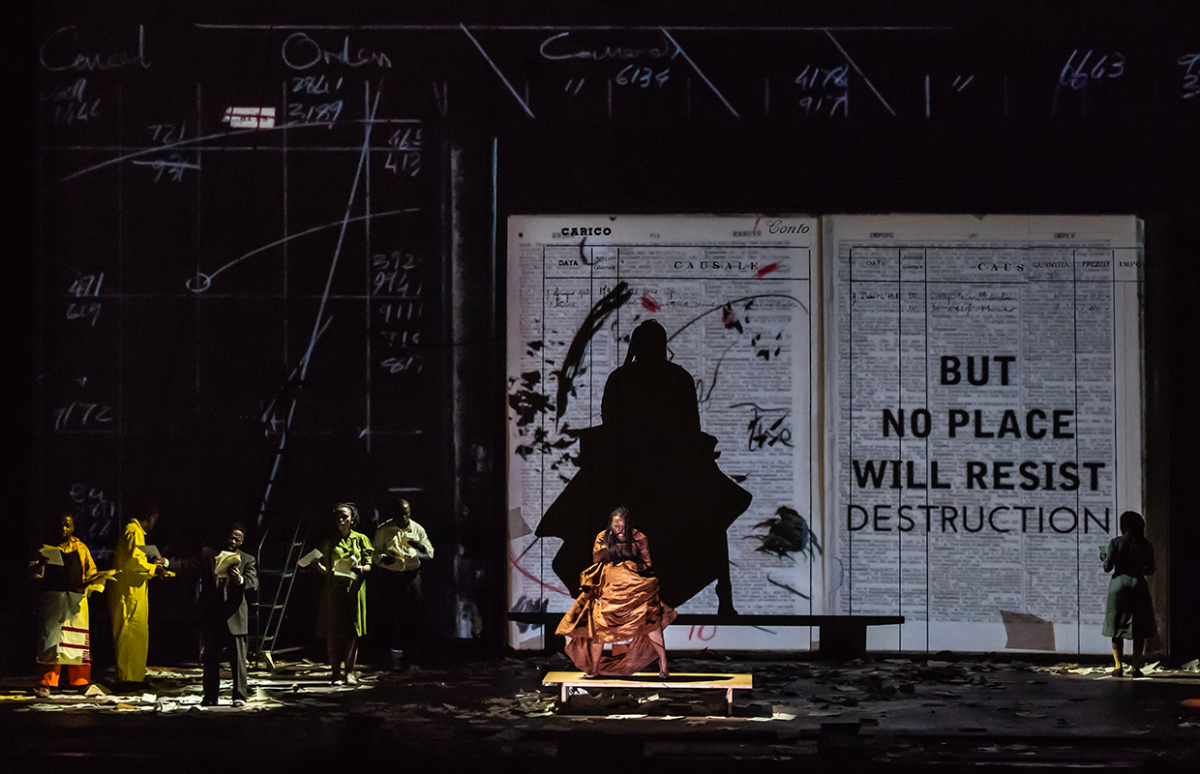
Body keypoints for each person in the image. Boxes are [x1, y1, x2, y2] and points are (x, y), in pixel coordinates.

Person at [538, 319, 751, 615]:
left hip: (629, 473)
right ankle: (724, 598)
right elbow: (690, 425)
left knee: (713, 513)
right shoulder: (677, 376)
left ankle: (723, 597)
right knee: (714, 515)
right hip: (667, 472)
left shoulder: (622, 377)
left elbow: (611, 423)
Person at [556, 506, 676, 678]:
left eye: (623, 526)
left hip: (635, 589)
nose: (619, 530)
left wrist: (631, 567)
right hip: (610, 590)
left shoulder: (639, 538)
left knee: (651, 623)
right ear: (610, 525)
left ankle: (663, 664)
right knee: (599, 627)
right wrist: (608, 548)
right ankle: (594, 668)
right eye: (616, 526)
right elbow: (596, 561)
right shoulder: (602, 538)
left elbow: (647, 564)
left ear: (629, 524)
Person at [30, 508, 110, 698]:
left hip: (76, 604)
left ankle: (82, 683)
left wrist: (96, 581)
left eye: (68, 524)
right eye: (61, 525)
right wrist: (41, 564)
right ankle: (45, 683)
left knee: (78, 644)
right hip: (53, 602)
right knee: (50, 644)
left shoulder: (80, 548)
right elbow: (32, 574)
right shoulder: (44, 547)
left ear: (74, 527)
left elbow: (91, 572)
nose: (64, 528)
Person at [196, 523, 258, 706]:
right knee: (210, 660)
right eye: (231, 537)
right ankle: (210, 696)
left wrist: (239, 579)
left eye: (237, 539)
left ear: (242, 541)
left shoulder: (247, 559)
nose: (232, 541)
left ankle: (239, 696)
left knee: (238, 661)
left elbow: (253, 583)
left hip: (234, 615)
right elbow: (190, 566)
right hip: (213, 615)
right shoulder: (209, 555)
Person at [109, 503, 170, 687]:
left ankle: (134, 677)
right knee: (130, 637)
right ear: (151, 517)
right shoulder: (133, 531)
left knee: (137, 637)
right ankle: (128, 679)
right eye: (155, 520)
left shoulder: (134, 532)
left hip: (133, 593)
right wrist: (155, 569)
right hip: (129, 595)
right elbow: (134, 563)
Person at [371, 497, 433, 669]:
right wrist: (385, 560)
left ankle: (412, 659)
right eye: (400, 515)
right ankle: (396, 661)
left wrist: (421, 548)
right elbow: (374, 555)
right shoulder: (384, 530)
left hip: (412, 578)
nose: (404, 518)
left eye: (406, 514)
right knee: (393, 620)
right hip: (392, 577)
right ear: (393, 514)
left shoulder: (417, 529)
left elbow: (431, 553)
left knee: (414, 617)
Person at [314, 503, 373, 684]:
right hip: (334, 590)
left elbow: (370, 564)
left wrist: (361, 568)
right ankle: (335, 673)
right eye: (338, 517)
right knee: (333, 632)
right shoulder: (329, 541)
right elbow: (323, 567)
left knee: (351, 631)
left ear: (352, 519)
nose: (341, 520)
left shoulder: (361, 539)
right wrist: (318, 567)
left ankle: (349, 671)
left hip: (354, 589)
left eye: (345, 517)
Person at [1101, 510, 1156, 677]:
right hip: (1138, 585)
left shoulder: (1115, 543)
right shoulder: (1146, 544)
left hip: (1119, 586)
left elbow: (1107, 567)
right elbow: (1150, 570)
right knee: (1138, 628)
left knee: (1117, 627)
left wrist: (1103, 556)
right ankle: (1136, 667)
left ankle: (1118, 666)